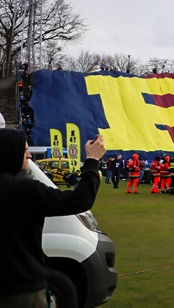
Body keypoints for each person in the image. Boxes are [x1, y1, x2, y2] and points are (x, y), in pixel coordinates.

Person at [0, 129, 106, 307]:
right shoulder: (25, 190)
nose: (29, 156)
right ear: (9, 151)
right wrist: (93, 161)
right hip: (22, 289)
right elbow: (79, 200)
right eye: (24, 150)